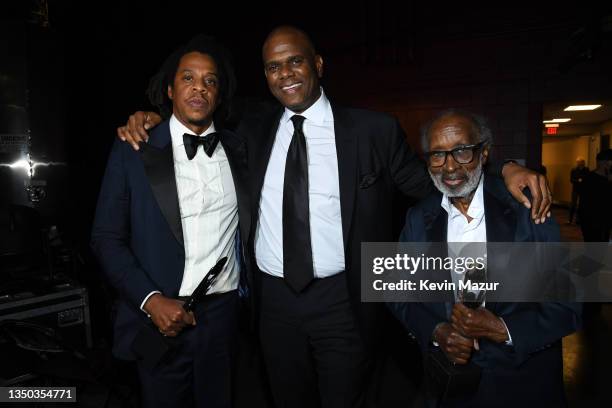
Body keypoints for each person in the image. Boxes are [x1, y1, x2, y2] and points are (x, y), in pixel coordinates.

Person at [116, 26, 552, 408]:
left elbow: (438, 178)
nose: (285, 74)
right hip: (272, 306)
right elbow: (191, 115)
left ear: (318, 64)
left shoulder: (373, 131)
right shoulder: (250, 126)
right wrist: (149, 119)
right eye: (272, 67)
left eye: (294, 61)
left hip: (344, 302)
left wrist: (502, 171)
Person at [91, 35, 250, 408]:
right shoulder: (134, 148)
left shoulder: (241, 149)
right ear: (169, 89)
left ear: (220, 93)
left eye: (210, 80)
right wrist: (151, 300)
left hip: (224, 318)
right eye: (188, 78)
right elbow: (106, 237)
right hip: (159, 319)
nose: (199, 87)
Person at [388, 110, 580, 407]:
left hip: (524, 385)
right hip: (450, 387)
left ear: (484, 153)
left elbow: (570, 300)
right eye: (438, 155)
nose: (449, 166)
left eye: (462, 151)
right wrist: (437, 332)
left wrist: (504, 330)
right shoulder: (418, 218)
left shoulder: (527, 205)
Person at [578, 149, 612, 242]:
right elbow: (584, 204)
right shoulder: (589, 179)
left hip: (604, 223)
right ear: (605, 163)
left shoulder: (608, 179)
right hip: (592, 223)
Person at [569, 157, 589, 224]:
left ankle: (578, 220)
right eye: (578, 162)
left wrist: (583, 181)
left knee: (581, 205)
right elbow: (571, 180)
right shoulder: (573, 170)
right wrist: (578, 180)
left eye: (582, 162)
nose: (580, 163)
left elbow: (588, 178)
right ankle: (570, 219)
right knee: (573, 204)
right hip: (575, 189)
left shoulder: (586, 170)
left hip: (583, 189)